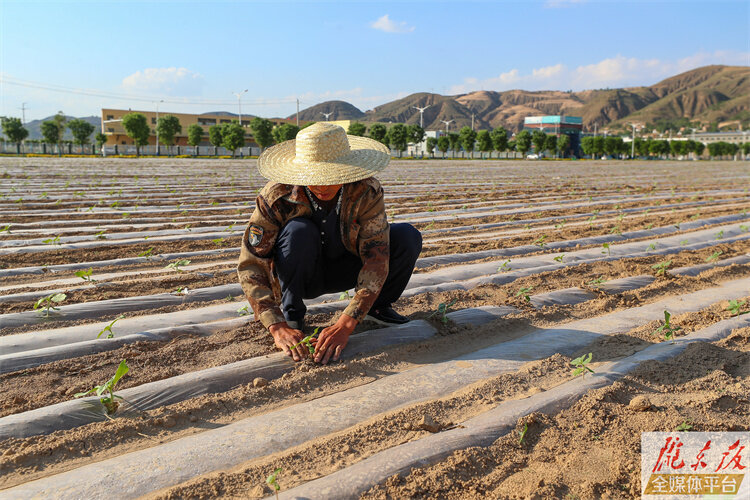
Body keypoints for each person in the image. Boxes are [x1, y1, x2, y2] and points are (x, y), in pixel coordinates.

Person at [238, 122, 422, 365]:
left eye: (330, 177)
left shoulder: (366, 191)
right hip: (302, 274)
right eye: (314, 178)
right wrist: (276, 325)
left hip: (348, 266)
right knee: (298, 231)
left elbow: (376, 257)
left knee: (406, 236)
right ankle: (293, 316)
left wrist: (347, 323)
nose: (322, 186)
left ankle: (377, 309)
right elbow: (251, 264)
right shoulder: (277, 196)